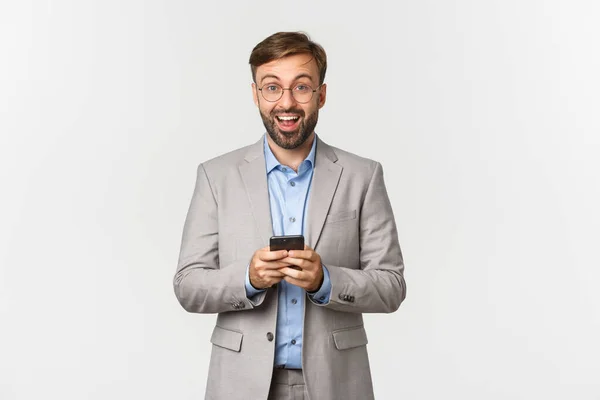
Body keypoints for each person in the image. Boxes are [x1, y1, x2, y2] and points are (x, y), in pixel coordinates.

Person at [173, 31, 406, 400]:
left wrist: (325, 280)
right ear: (255, 95)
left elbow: (391, 286)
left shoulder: (363, 176)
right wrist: (247, 279)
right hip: (240, 384)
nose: (286, 102)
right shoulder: (216, 176)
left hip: (337, 383)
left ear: (321, 95)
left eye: (301, 87)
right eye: (271, 87)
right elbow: (187, 286)